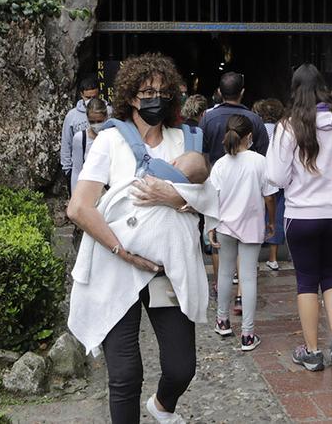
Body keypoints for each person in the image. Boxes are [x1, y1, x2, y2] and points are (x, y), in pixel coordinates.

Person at [66, 53, 214, 424]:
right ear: (131, 96)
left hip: (168, 269)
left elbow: (210, 200)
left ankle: (162, 406)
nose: (155, 99)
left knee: (182, 368)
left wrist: (174, 196)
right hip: (117, 266)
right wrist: (123, 251)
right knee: (125, 374)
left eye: (163, 92)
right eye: (147, 91)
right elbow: (79, 208)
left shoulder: (186, 141)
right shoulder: (110, 141)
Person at [265, 64, 332, 371]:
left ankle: (312, 352)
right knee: (331, 275)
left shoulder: (290, 125)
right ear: (324, 87)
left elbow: (276, 176)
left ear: (295, 90)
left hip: (302, 214)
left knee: (306, 281)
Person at [208, 115, 277, 352]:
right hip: (251, 225)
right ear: (249, 137)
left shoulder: (219, 164)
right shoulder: (260, 162)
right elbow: (269, 196)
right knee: (248, 278)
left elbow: (212, 199)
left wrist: (211, 226)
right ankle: (248, 334)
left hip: (225, 225)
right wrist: (271, 221)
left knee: (225, 273)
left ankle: (222, 321)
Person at [200, 72, 269, 164]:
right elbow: (264, 153)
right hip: (247, 176)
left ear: (219, 92)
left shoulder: (207, 119)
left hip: (214, 175)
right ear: (242, 92)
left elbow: (199, 153)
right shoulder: (255, 120)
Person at [253, 98, 286, 270]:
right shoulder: (283, 130)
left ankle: (254, 257)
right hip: (277, 177)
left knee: (257, 215)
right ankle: (273, 258)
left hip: (260, 176)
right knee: (277, 216)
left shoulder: (257, 129)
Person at [61, 76, 101, 193]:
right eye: (88, 97)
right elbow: (66, 142)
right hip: (79, 170)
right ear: (81, 95)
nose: (91, 100)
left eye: (94, 97)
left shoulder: (108, 111)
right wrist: (67, 170)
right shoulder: (72, 116)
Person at [69, 97, 109, 198]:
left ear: (106, 117)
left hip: (109, 192)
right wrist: (75, 198)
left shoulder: (113, 136)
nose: (96, 125)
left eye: (99, 121)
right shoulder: (80, 138)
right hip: (89, 193)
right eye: (92, 121)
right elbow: (76, 171)